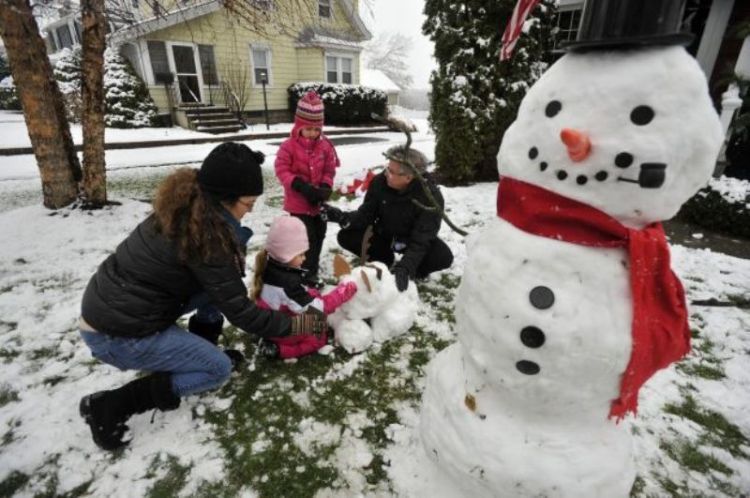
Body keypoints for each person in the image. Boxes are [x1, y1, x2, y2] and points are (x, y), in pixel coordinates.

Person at [78, 142, 322, 451]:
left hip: (112, 311)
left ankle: (199, 351)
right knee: (216, 370)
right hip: (116, 335)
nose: (252, 210)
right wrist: (301, 326)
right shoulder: (210, 238)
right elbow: (242, 312)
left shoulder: (189, 210)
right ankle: (110, 406)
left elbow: (221, 291)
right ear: (225, 199)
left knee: (212, 295)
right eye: (248, 203)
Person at [323, 146, 454, 292]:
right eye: (387, 168)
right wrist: (343, 217)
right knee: (347, 235)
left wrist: (405, 268)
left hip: (410, 240)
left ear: (408, 177)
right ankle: (384, 260)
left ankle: (414, 271)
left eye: (391, 171)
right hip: (385, 234)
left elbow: (422, 238)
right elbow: (367, 214)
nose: (386, 173)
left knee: (442, 257)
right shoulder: (380, 182)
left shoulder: (430, 197)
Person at [250, 216, 358, 359]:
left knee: (313, 305)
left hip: (272, 321)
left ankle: (270, 339)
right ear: (286, 255)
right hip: (282, 329)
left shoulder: (270, 266)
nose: (304, 258)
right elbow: (318, 308)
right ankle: (279, 350)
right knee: (319, 335)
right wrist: (342, 292)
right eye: (300, 254)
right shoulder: (288, 284)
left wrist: (310, 291)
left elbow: (293, 297)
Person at [275, 90, 340, 288]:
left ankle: (312, 266)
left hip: (317, 202)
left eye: (316, 129)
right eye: (308, 128)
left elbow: (329, 169)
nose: (312, 133)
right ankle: (304, 271)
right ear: (298, 126)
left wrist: (325, 186)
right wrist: (298, 185)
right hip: (298, 203)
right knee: (305, 238)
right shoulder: (288, 146)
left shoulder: (325, 146)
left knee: (319, 233)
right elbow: (281, 169)